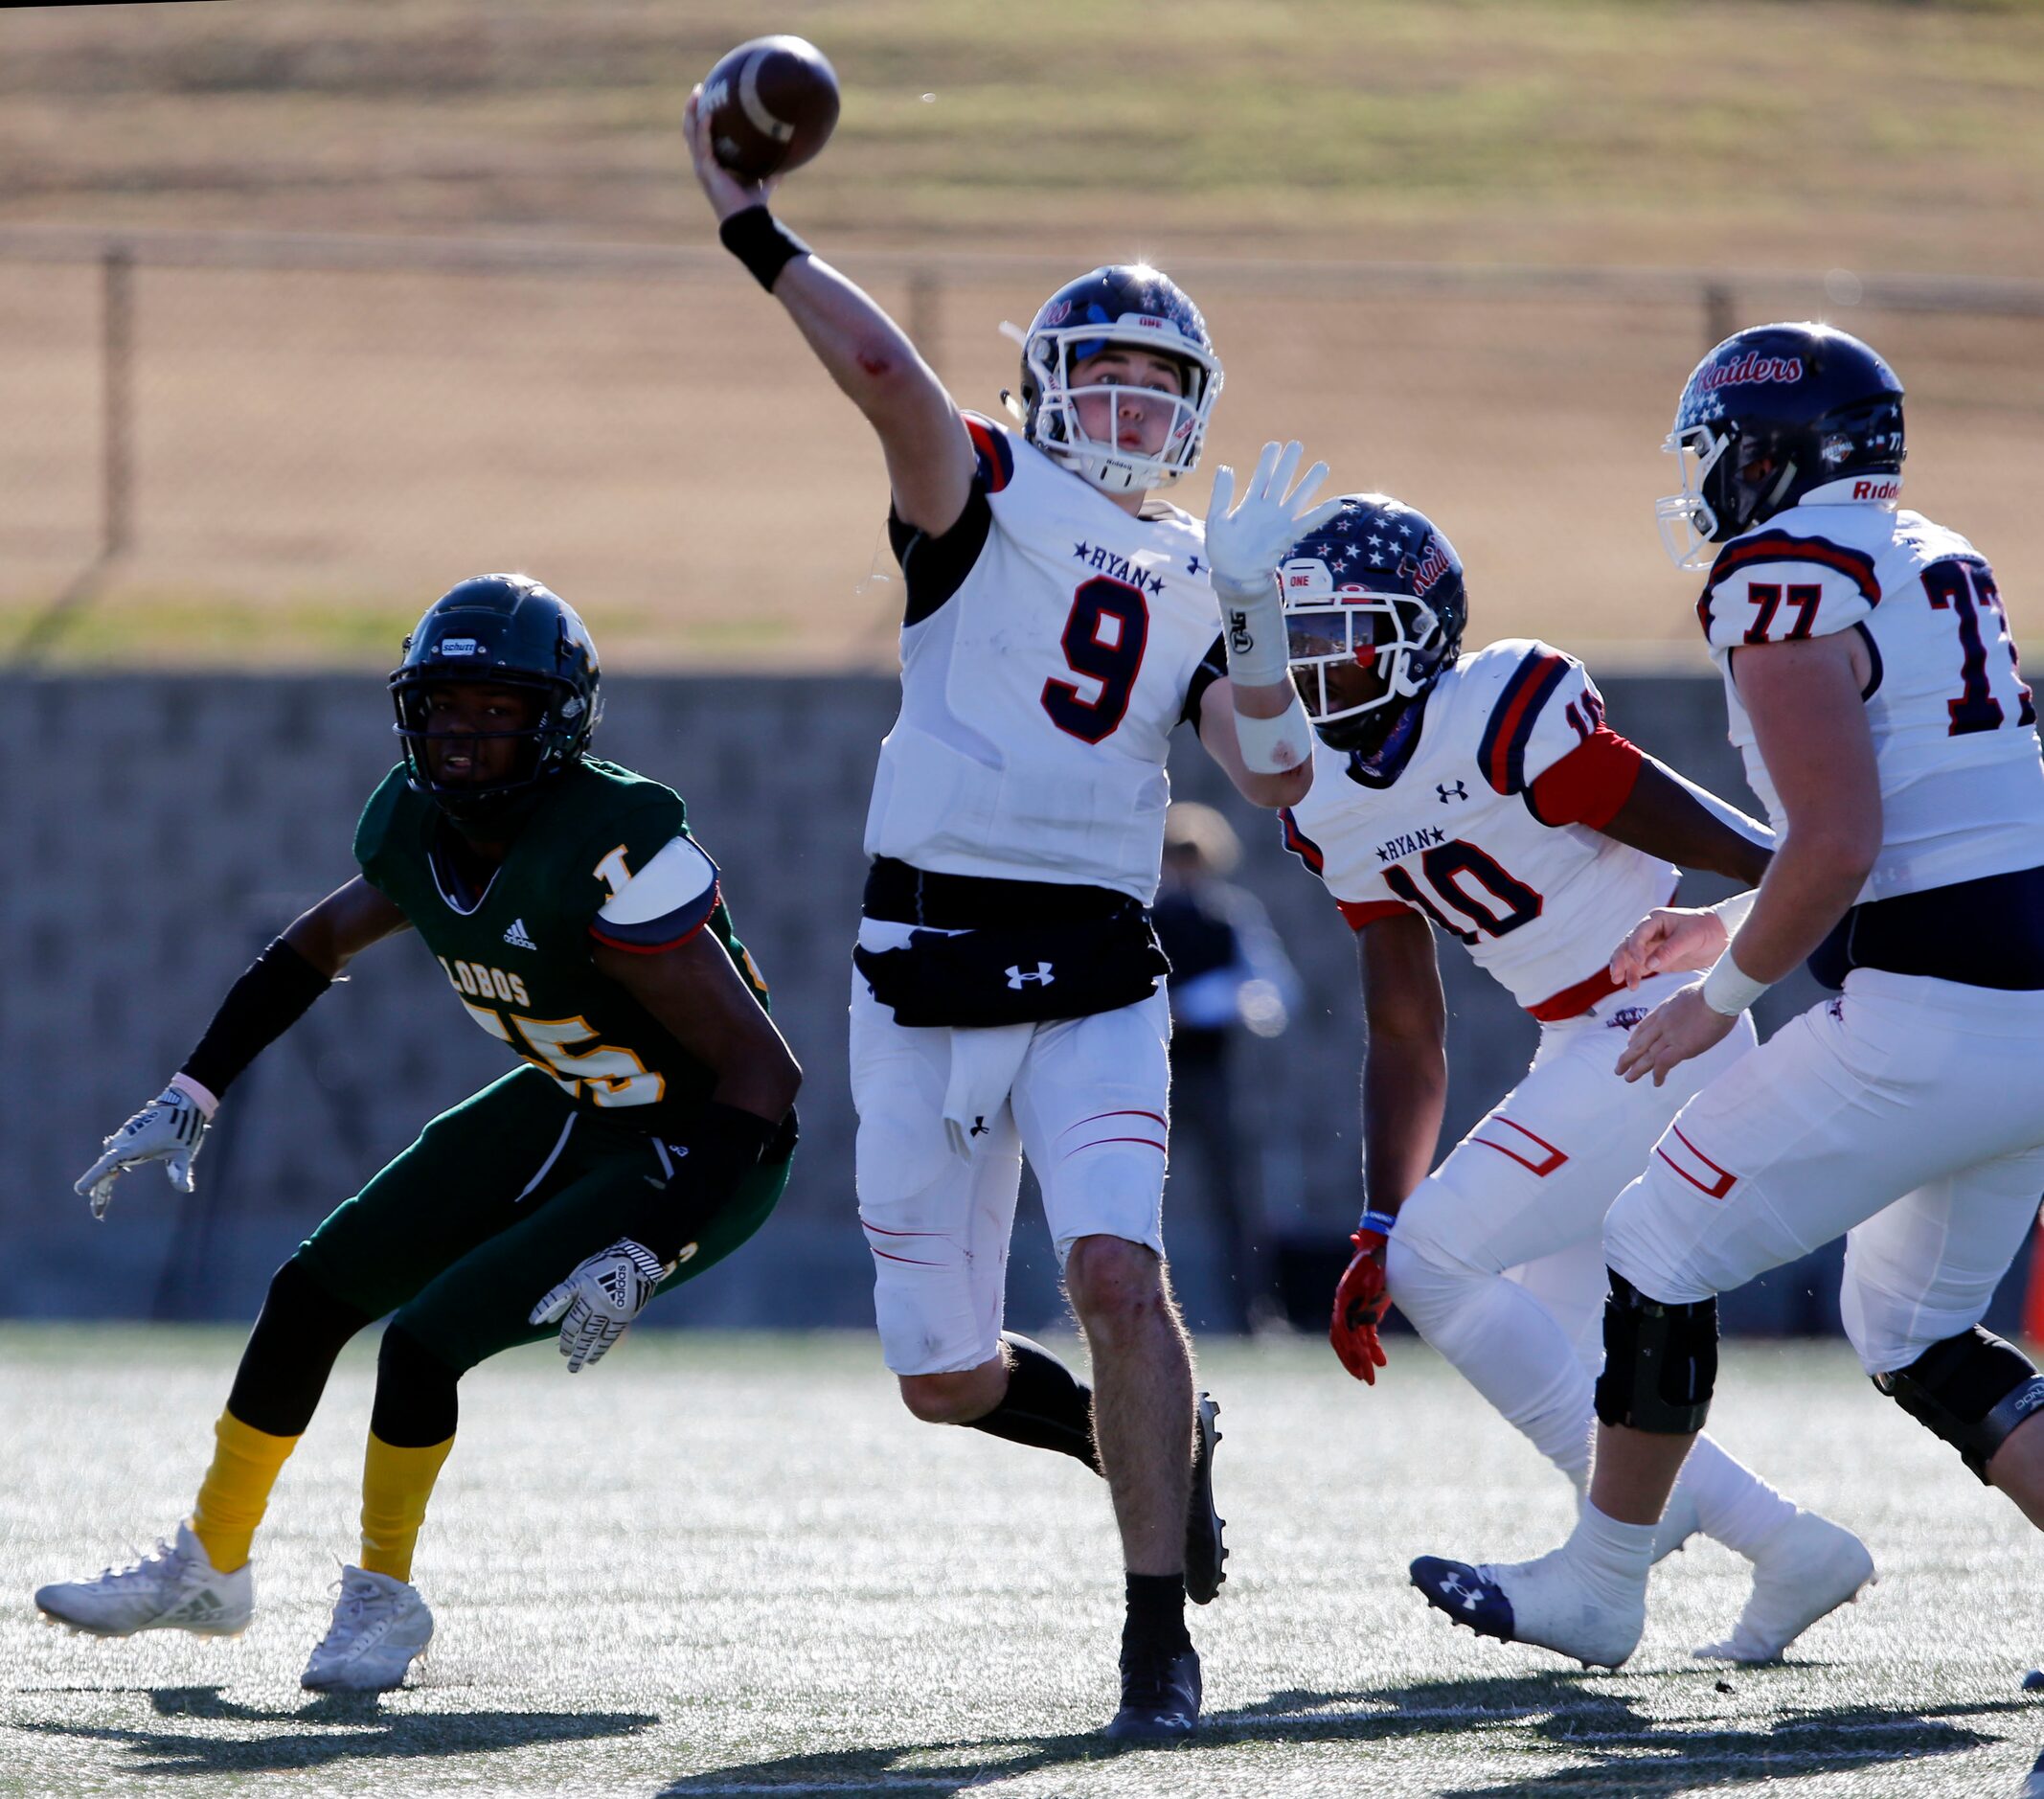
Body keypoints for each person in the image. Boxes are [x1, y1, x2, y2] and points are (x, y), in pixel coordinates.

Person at [684, 88, 1337, 1741]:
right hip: (921, 968)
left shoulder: (1204, 568)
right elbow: (889, 375)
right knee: (941, 1375)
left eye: (1152, 382)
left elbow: (1267, 777)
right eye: (1098, 373)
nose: (1123, 404)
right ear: (1042, 390)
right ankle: (1151, 1443)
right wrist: (749, 223)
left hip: (1097, 972)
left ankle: (1149, 1643)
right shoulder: (971, 492)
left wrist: (1254, 619)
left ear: (1189, 409)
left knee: (1118, 1272)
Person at [36, 575, 802, 1692]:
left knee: (425, 1339)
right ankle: (211, 1565)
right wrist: (192, 1091)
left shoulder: (611, 842)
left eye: (497, 709)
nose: (462, 733)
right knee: (313, 1291)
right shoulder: (413, 820)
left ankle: (385, 1601)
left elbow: (764, 1072)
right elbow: (314, 943)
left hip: (701, 1148)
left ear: (557, 718)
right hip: (577, 1098)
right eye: (444, 704)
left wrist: (652, 1245)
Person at [1411, 324, 2044, 1670]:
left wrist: (1724, 986)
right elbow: (1939, 823)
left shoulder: (1776, 576)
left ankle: (1598, 1583)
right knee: (1911, 1327)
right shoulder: (1930, 553)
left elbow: (1837, 842)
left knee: (1653, 1243)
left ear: (1770, 451)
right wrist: (1725, 916)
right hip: (2022, 1004)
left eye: (1715, 450)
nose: (1703, 480)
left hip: (1933, 1011)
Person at [1276, 492, 1872, 1663]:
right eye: (1300, 644)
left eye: (1343, 635)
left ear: (1419, 630)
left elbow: (1752, 848)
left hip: (1665, 1021)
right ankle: (1791, 1547)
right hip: (1582, 1044)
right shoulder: (1327, 803)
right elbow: (1405, 1026)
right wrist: (1374, 1213)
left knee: (1441, 1261)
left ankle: (1620, 1543)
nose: (1320, 669)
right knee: (1549, 1325)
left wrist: (1746, 928)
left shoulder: (1498, 712)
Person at [1152, 802, 1299, 1332]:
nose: (1183, 868)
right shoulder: (1142, 917)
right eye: (1174, 856)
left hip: (1211, 1077)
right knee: (1125, 1197)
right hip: (1147, 1082)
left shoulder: (1230, 916)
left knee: (1236, 1200)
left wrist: (1197, 1007)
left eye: (1193, 858)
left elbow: (1273, 995)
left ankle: (1255, 1314)